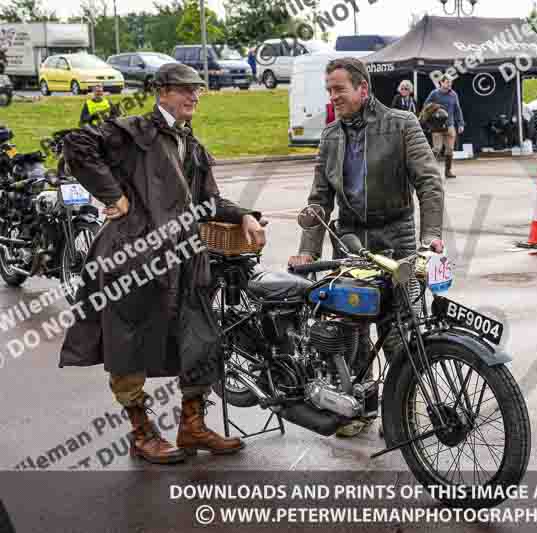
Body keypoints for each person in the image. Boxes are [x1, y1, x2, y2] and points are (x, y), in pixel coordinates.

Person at [59, 63, 266, 464]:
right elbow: (77, 144)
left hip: (185, 259)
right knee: (128, 342)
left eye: (197, 91)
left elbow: (208, 203)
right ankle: (141, 431)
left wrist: (243, 214)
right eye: (184, 90)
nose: (194, 97)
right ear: (162, 92)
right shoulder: (135, 131)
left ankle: (192, 425)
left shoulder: (191, 144)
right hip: (132, 258)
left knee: (201, 339)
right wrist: (112, 195)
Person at [287, 57, 444, 437]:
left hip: (398, 238)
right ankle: (360, 408)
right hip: (350, 240)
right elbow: (319, 200)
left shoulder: (401, 124)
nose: (333, 96)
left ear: (362, 88)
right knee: (352, 331)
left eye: (338, 89)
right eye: (329, 90)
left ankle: (400, 417)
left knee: (398, 331)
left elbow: (429, 182)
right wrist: (308, 250)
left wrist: (431, 236)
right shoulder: (330, 136)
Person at [423, 75, 464, 178]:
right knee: (437, 148)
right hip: (437, 125)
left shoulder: (454, 94)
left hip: (450, 125)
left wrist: (461, 123)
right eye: (447, 82)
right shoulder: (434, 93)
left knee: (449, 149)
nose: (449, 84)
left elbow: (457, 109)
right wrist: (436, 108)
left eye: (450, 82)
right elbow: (426, 106)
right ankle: (427, 170)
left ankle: (448, 171)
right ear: (441, 82)